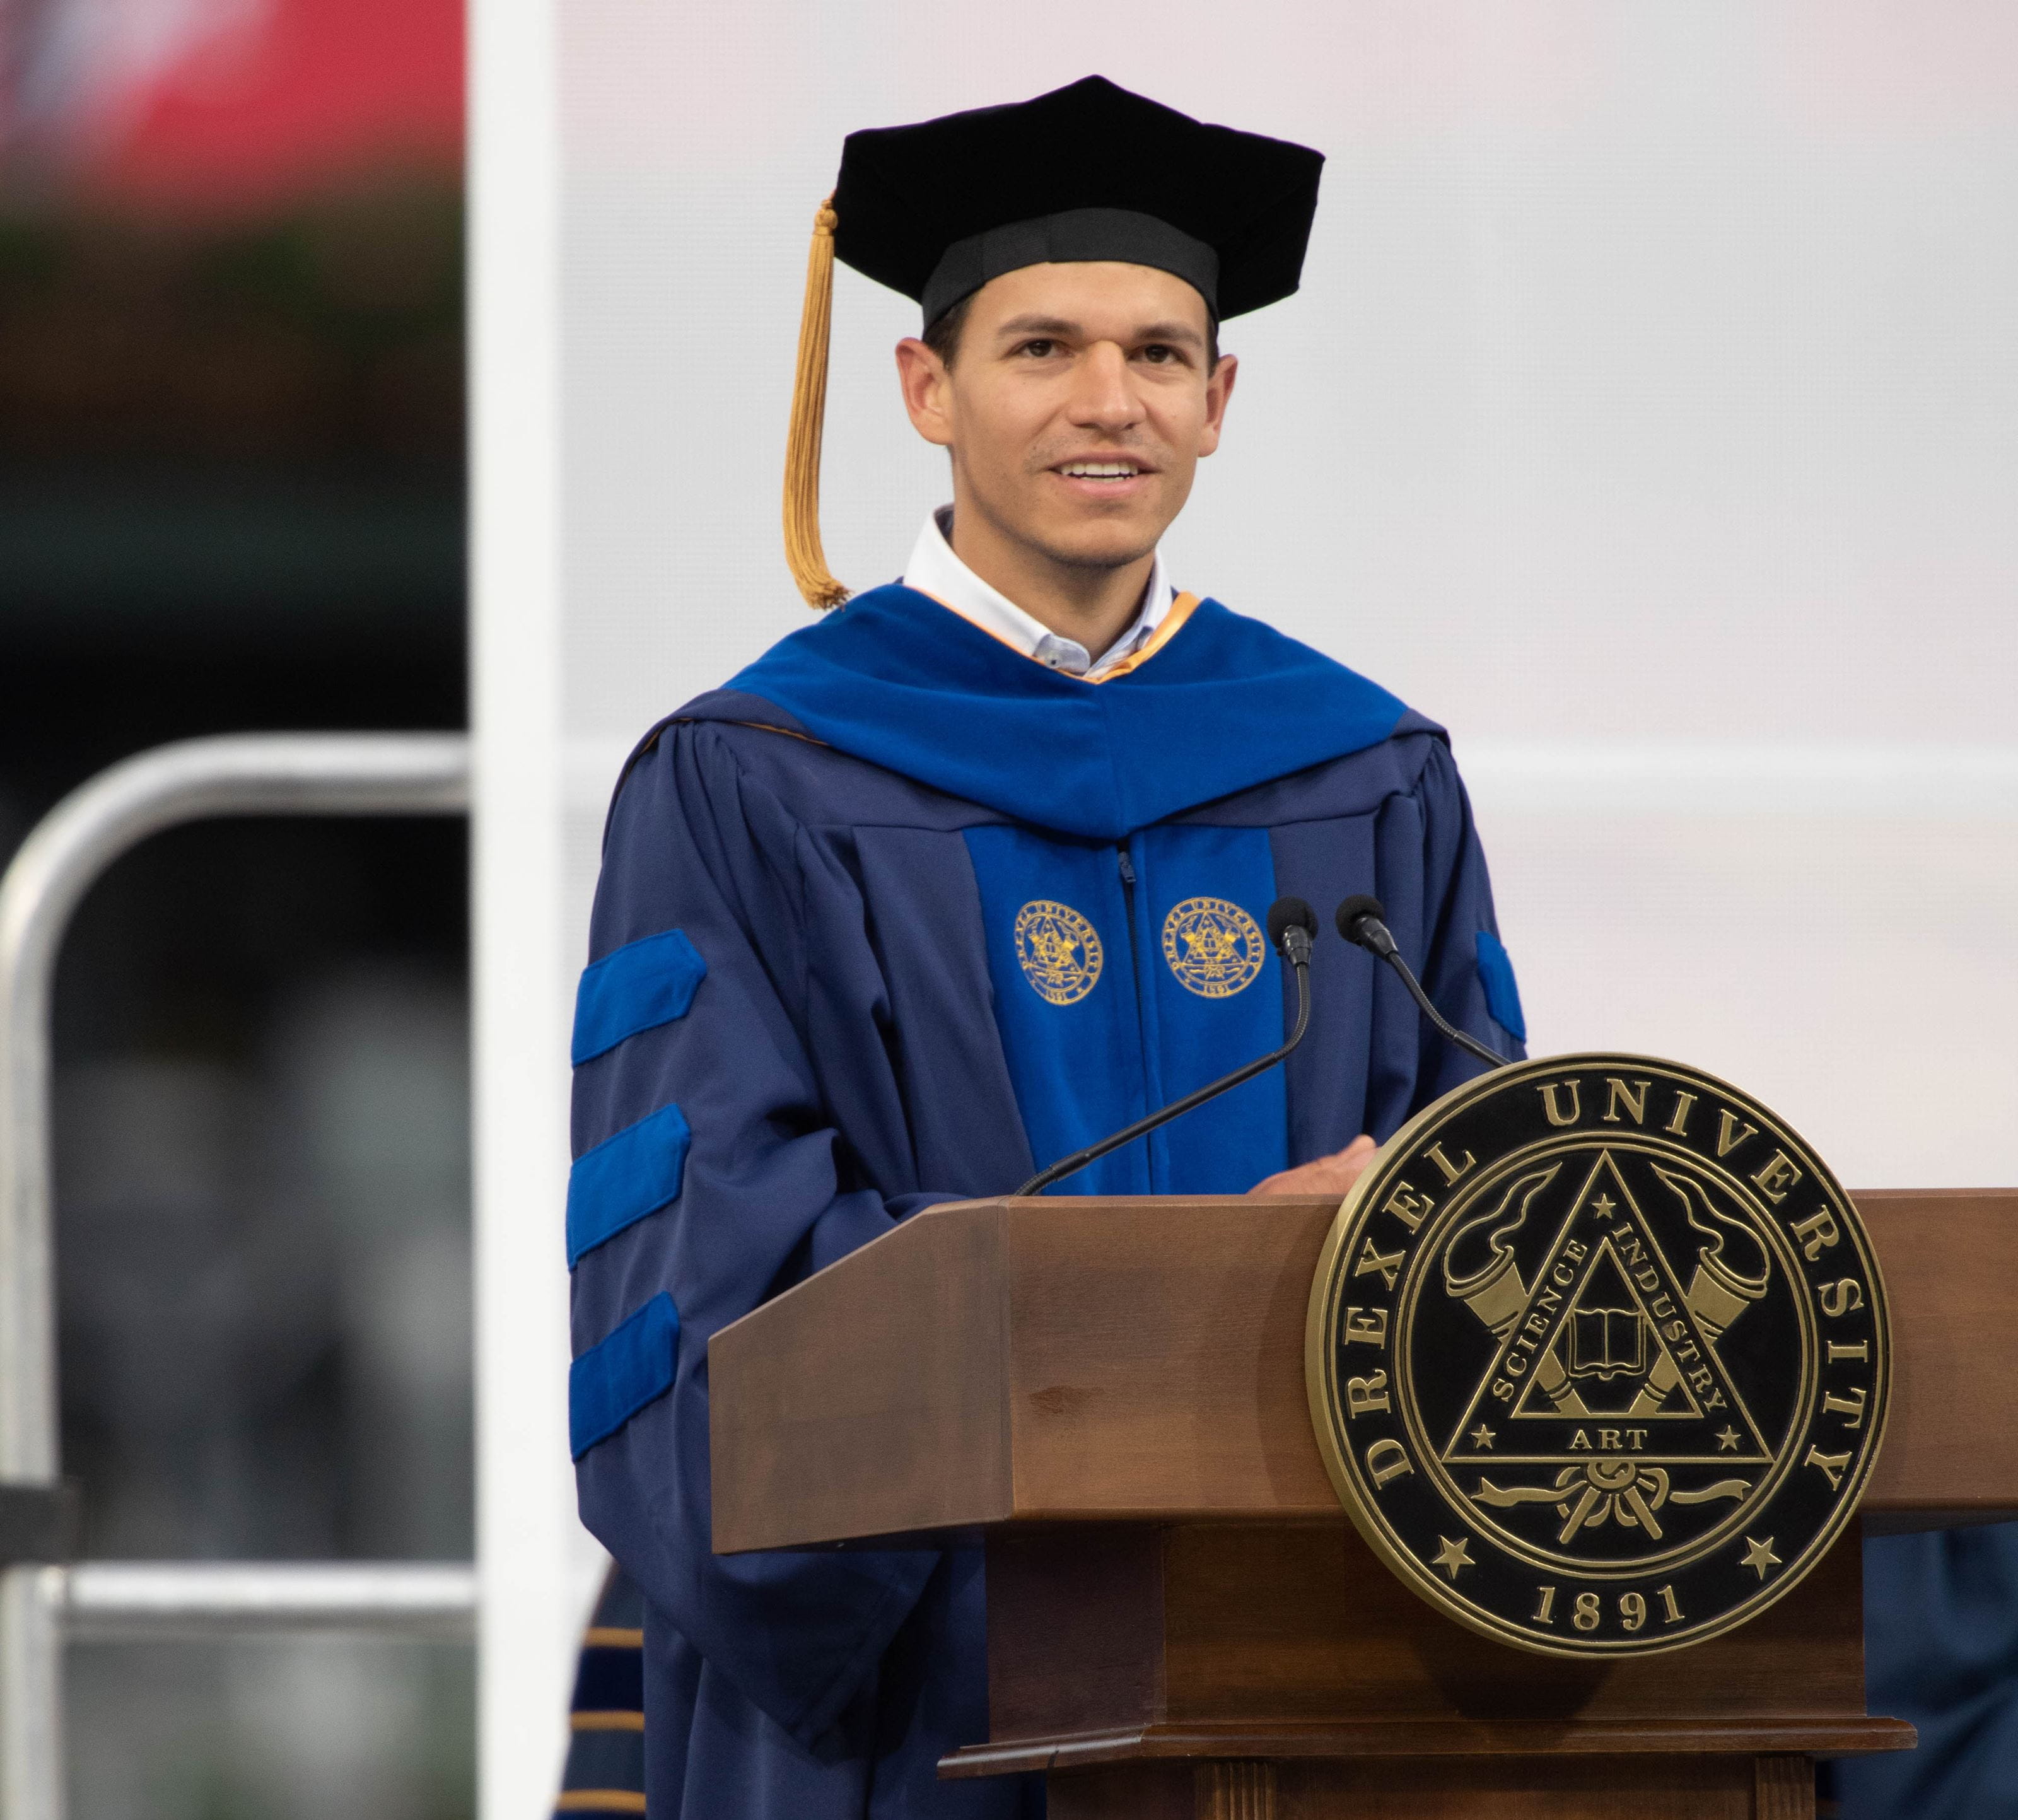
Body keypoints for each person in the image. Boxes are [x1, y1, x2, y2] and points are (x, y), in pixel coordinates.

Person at [563, 76, 1525, 1819]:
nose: (1110, 402)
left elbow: (1491, 1209)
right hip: (912, 1704)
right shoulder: (754, 780)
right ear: (927, 388)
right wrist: (1196, 1290)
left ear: (1221, 402)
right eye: (1044, 348)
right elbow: (705, 1296)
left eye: (1162, 355)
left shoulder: (1363, 770)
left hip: (1301, 1677)